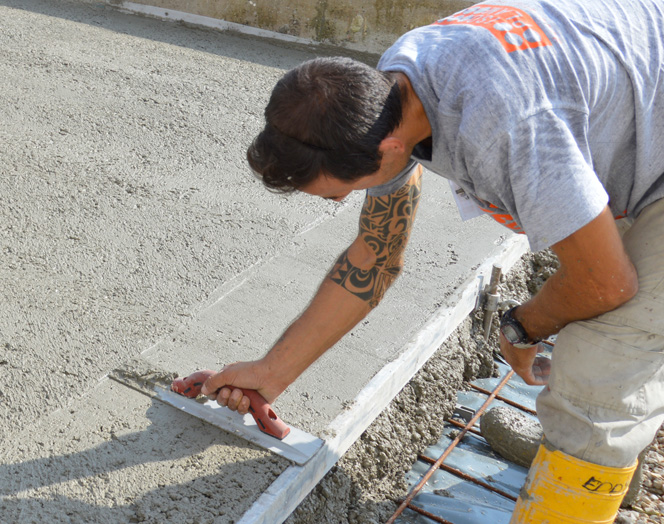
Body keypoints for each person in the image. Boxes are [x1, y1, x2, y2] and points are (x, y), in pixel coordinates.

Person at [201, 0, 664, 521]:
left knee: (601, 374)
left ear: (389, 150)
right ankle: (608, 473)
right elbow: (376, 255)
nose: (341, 201)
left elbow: (606, 284)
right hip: (635, 108)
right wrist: (271, 371)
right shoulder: (390, 92)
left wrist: (520, 327)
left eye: (339, 192)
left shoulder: (505, 130)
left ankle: (590, 462)